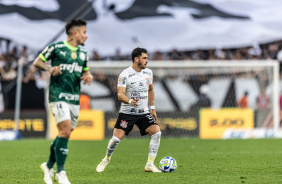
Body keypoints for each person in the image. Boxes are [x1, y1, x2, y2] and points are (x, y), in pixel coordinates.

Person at [33, 18, 93, 184]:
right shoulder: (56, 48)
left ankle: (48, 165)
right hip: (57, 95)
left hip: (74, 99)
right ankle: (60, 172)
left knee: (64, 134)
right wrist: (49, 68)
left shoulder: (83, 54)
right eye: (84, 32)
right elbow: (37, 62)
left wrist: (88, 76)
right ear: (75, 33)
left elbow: (86, 72)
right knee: (65, 131)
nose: (86, 36)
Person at [96, 47, 162, 173]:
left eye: (147, 58)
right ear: (136, 59)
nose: (147, 61)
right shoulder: (125, 75)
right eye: (144, 58)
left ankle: (149, 164)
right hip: (127, 113)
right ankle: (106, 159)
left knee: (157, 133)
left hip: (143, 112)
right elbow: (120, 95)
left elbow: (151, 90)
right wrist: (131, 101)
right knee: (115, 139)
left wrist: (152, 108)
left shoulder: (148, 73)